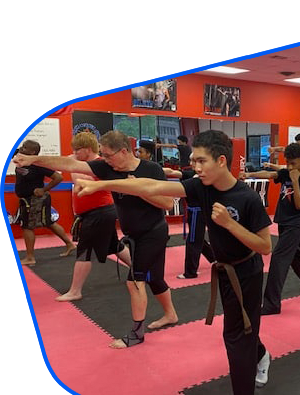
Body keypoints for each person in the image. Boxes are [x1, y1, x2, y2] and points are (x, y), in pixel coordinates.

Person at [74, 130, 273, 395]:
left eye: (202, 161)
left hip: (247, 272)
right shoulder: (200, 187)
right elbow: (151, 187)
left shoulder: (247, 198)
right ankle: (261, 356)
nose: (196, 167)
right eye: (194, 161)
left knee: (235, 335)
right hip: (224, 271)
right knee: (243, 327)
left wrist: (231, 224)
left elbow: (265, 247)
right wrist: (99, 185)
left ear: (222, 161)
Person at [14, 130, 178, 349]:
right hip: (133, 235)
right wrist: (34, 159)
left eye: (108, 155)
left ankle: (137, 334)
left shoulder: (151, 169)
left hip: (153, 233)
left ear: (123, 151)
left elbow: (167, 204)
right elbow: (69, 164)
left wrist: (138, 188)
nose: (105, 160)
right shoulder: (108, 167)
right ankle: (171, 315)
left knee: (134, 281)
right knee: (154, 278)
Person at [241, 143, 300, 315]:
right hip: (283, 221)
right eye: (288, 163)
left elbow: (299, 205)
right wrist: (249, 174)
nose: (290, 167)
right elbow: (270, 174)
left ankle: (271, 304)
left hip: (295, 224)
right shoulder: (286, 172)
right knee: (292, 256)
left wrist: (296, 181)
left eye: (293, 163)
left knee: (278, 259)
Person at [56, 132, 132, 302]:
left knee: (85, 250)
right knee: (114, 246)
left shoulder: (99, 165)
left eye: (77, 150)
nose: (74, 153)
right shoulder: (84, 163)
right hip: (96, 213)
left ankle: (75, 290)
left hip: (100, 212)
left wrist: (72, 165)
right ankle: (140, 271)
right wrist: (73, 163)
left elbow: (81, 184)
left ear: (88, 149)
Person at [12, 140, 76, 266]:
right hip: (27, 199)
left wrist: (44, 189)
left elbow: (59, 177)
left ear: (33, 152)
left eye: (25, 147)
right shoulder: (20, 157)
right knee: (48, 222)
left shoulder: (38, 164)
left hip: (34, 200)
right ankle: (69, 244)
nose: (21, 148)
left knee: (27, 226)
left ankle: (30, 257)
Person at [268, 133, 300, 255]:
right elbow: (283, 151)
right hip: (289, 205)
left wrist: (297, 180)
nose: (299, 144)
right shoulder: (293, 153)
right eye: (297, 141)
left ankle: (298, 251)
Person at [162, 167, 215, 279]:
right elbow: (172, 172)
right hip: (193, 212)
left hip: (198, 213)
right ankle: (214, 259)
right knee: (198, 238)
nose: (193, 164)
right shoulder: (191, 174)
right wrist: (154, 169)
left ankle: (190, 272)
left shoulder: (202, 179)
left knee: (193, 240)